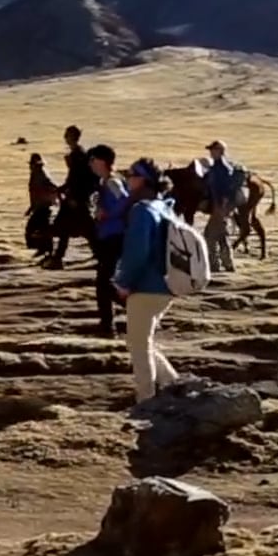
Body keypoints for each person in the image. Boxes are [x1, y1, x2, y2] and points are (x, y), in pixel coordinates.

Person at [112, 158, 178, 402]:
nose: (128, 180)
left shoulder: (142, 210)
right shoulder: (165, 206)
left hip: (146, 287)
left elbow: (137, 252)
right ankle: (172, 384)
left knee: (138, 346)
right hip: (167, 285)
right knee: (142, 340)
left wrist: (124, 283)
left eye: (130, 175)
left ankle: (146, 399)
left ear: (142, 179)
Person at [87, 144, 130, 338]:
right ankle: (107, 325)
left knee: (104, 282)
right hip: (109, 236)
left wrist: (106, 213)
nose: (90, 164)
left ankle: (113, 322)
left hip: (115, 237)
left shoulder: (113, 182)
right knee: (103, 282)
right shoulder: (106, 182)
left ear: (102, 161)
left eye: (93, 160)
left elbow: (125, 202)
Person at [49, 126, 99, 268]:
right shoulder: (77, 153)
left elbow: (77, 178)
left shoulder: (78, 155)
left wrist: (70, 193)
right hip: (74, 197)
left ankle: (102, 255)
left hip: (77, 198)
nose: (65, 137)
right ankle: (57, 258)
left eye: (67, 135)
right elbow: (73, 177)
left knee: (87, 229)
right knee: (70, 228)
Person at [201, 140, 240, 274]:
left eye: (213, 150)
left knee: (209, 236)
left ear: (220, 151)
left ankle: (214, 265)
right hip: (221, 207)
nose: (211, 153)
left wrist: (222, 205)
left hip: (220, 207)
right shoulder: (218, 167)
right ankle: (228, 264)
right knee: (222, 235)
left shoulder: (221, 168)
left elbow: (224, 189)